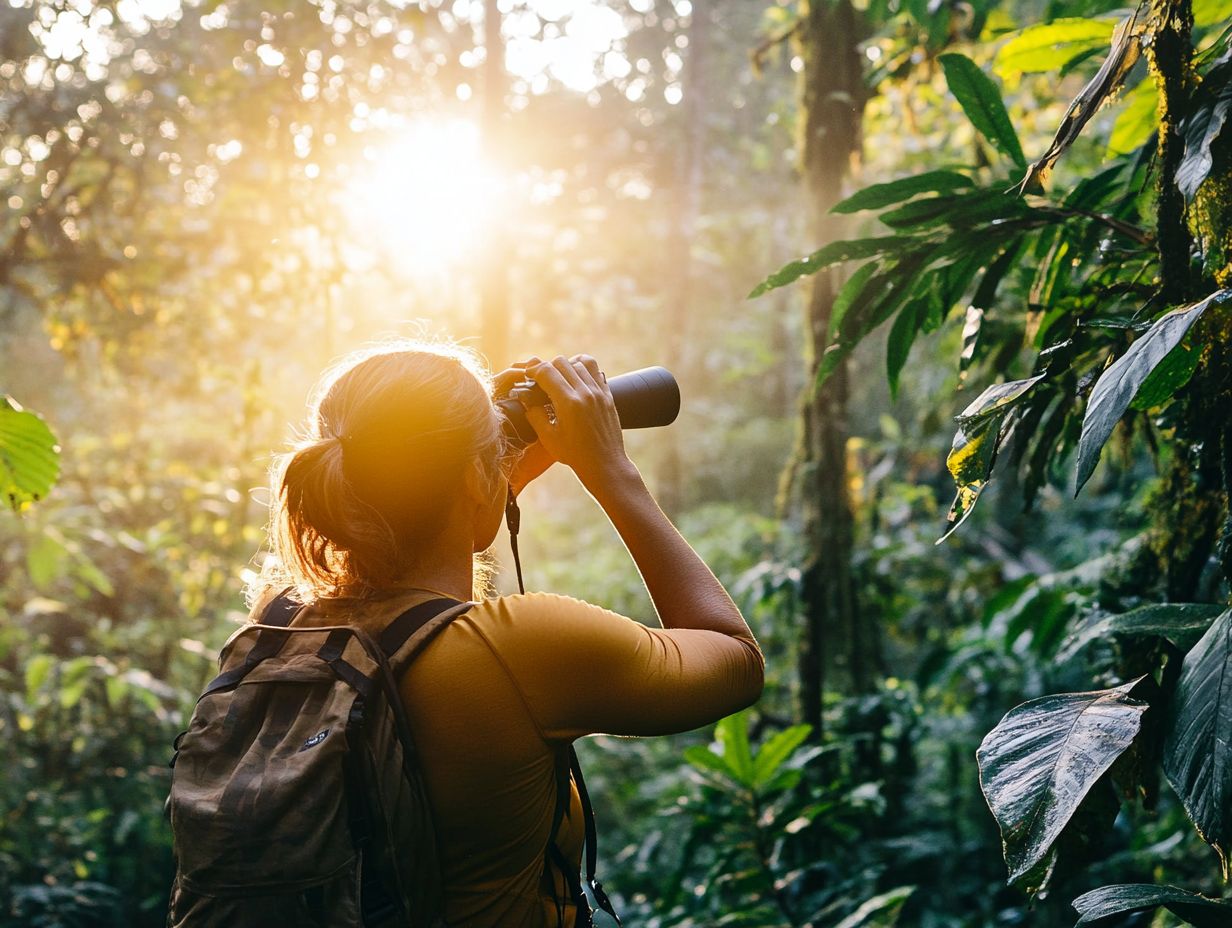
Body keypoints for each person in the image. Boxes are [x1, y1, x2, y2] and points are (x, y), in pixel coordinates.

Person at [250, 339, 764, 927]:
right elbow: (737, 660)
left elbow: (422, 616)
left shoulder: (281, 622)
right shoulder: (523, 648)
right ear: (473, 474)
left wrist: (480, 477)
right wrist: (609, 469)